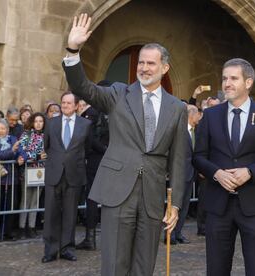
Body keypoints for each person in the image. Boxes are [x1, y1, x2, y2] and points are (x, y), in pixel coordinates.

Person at [62, 14, 187, 275]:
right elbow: (83, 88)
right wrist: (73, 50)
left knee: (144, 266)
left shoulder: (177, 108)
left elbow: (177, 158)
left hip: (152, 197)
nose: (144, 68)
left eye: (151, 63)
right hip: (118, 192)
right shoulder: (118, 94)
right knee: (115, 265)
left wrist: (174, 204)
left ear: (164, 68)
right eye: (141, 62)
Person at [193, 58, 255, 276]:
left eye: (233, 78)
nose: (227, 83)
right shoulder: (210, 115)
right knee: (216, 269)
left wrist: (251, 172)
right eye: (225, 78)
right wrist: (216, 173)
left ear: (248, 82)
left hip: (254, 206)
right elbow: (198, 156)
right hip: (218, 206)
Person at [41, 92, 92, 263]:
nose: (65, 106)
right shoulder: (51, 123)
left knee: (70, 214)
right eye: (63, 103)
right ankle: (50, 250)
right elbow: (46, 146)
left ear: (77, 105)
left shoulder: (86, 124)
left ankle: (67, 249)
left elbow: (88, 148)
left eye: (69, 103)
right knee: (51, 215)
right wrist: (58, 160)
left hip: (74, 175)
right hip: (54, 174)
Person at [76, 80, 111, 251]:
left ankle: (91, 239)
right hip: (109, 158)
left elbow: (92, 139)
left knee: (92, 198)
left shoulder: (93, 111)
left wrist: (106, 151)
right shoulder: (111, 110)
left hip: (98, 159)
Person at [0, 118, 25, 241]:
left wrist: (21, 157)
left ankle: (8, 231)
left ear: (7, 129)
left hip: (11, 178)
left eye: (3, 128)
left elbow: (22, 151)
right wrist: (12, 150)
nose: (0, 131)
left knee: (10, 205)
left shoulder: (13, 139)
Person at [169, 104, 200, 244]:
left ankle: (178, 232)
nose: (199, 117)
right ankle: (170, 234)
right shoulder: (179, 131)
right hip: (178, 175)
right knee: (175, 204)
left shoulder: (195, 132)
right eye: (197, 114)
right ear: (191, 115)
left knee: (185, 206)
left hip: (190, 174)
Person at [18, 112, 46, 239]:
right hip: (28, 170)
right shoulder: (26, 135)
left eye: (41, 121)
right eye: (36, 121)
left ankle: (32, 226)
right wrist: (37, 156)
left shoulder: (47, 136)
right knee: (26, 199)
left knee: (35, 200)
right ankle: (22, 227)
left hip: (41, 171)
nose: (39, 124)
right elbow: (22, 151)